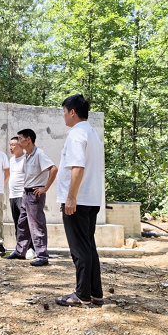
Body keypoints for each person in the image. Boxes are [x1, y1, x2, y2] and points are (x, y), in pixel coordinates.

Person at [55, 94, 104, 307]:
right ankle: (95, 293)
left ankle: (82, 295)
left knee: (80, 250)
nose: (64, 117)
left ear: (72, 112)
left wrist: (71, 198)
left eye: (65, 112)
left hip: (79, 200)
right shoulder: (92, 133)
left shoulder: (76, 134)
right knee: (89, 247)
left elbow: (77, 167)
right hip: (91, 199)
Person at [6, 129, 57, 266]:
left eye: (20, 139)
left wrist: (45, 188)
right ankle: (20, 251)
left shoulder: (39, 154)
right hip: (25, 193)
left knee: (37, 225)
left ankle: (42, 256)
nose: (19, 142)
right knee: (22, 223)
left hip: (35, 194)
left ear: (28, 139)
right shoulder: (27, 156)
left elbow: (53, 169)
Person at [8, 136, 35, 259]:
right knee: (17, 223)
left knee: (26, 224)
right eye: (10, 145)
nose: (11, 147)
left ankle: (31, 249)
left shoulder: (26, 158)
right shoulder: (11, 160)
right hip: (12, 196)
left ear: (20, 146)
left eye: (13, 145)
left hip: (22, 194)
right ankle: (19, 249)